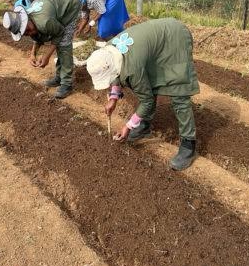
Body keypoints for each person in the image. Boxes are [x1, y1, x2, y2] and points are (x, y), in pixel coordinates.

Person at [85, 18, 199, 171]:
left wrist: (128, 126)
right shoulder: (109, 50)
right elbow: (115, 74)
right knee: (148, 84)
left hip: (174, 39)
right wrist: (113, 97)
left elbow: (148, 101)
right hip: (157, 41)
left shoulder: (132, 68)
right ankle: (144, 125)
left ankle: (188, 144)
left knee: (178, 93)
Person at [2, 0, 82, 99]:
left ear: (26, 20)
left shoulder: (45, 22)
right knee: (54, 39)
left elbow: (60, 33)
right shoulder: (31, 22)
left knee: (64, 45)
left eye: (27, 30)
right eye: (25, 33)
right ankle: (59, 77)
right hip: (57, 1)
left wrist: (47, 56)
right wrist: (32, 54)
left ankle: (67, 84)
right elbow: (35, 34)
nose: (29, 33)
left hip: (71, 2)